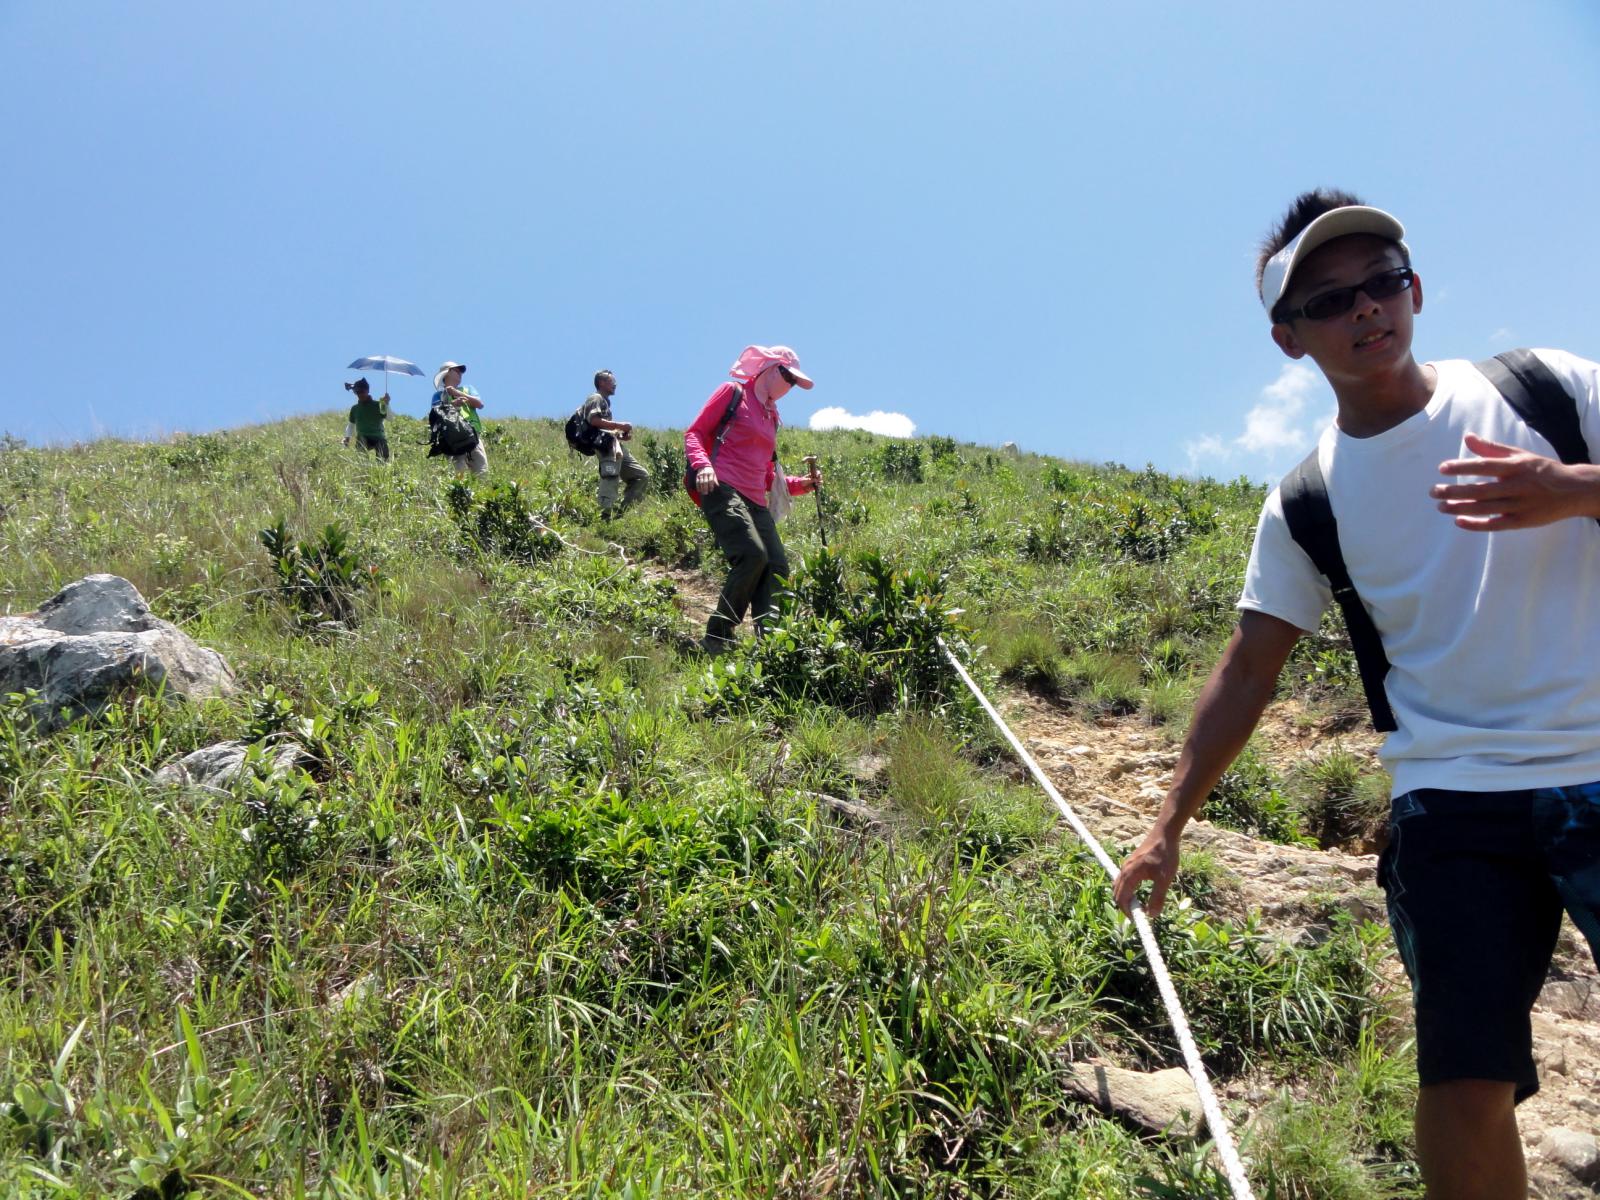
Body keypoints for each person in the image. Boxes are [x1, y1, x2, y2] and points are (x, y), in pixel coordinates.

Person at [1112, 190, 1600, 1200]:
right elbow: (1249, 667)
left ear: (1415, 289)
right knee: (1461, 1082)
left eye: (1381, 281)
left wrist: (1573, 490)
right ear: (1289, 338)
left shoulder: (1545, 387)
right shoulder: (1307, 502)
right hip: (1450, 801)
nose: (1365, 308)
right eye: (1330, 300)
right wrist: (1166, 826)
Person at [684, 345, 822, 654]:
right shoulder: (733, 393)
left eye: (794, 382)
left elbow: (767, 476)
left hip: (755, 500)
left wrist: (802, 484)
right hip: (720, 485)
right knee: (752, 555)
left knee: (777, 565)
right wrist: (703, 466)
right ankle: (718, 636)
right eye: (788, 377)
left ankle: (770, 644)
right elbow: (694, 433)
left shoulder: (771, 416)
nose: (790, 386)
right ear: (771, 369)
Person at [580, 370, 651, 518]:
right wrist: (620, 425)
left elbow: (603, 427)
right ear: (601, 383)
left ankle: (622, 513)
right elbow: (594, 420)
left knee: (641, 477)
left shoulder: (605, 402)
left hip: (614, 444)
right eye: (612, 381)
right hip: (604, 445)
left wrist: (620, 434)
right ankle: (604, 515)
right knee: (610, 474)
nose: (615, 384)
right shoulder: (596, 398)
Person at [430, 361, 487, 475]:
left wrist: (457, 393)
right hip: (451, 437)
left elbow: (479, 404)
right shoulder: (438, 395)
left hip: (473, 433)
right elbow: (436, 413)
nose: (460, 373)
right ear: (447, 373)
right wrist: (452, 405)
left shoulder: (467, 389)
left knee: (482, 471)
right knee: (458, 471)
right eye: (457, 370)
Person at [342, 378, 391, 461]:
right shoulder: (355, 409)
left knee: (383, 456)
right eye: (357, 392)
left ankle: (382, 466)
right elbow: (351, 425)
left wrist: (386, 404)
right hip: (363, 437)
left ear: (367, 391)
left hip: (378, 437)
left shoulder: (379, 404)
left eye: (362, 391)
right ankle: (364, 466)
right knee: (361, 455)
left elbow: (389, 418)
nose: (360, 394)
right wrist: (347, 438)